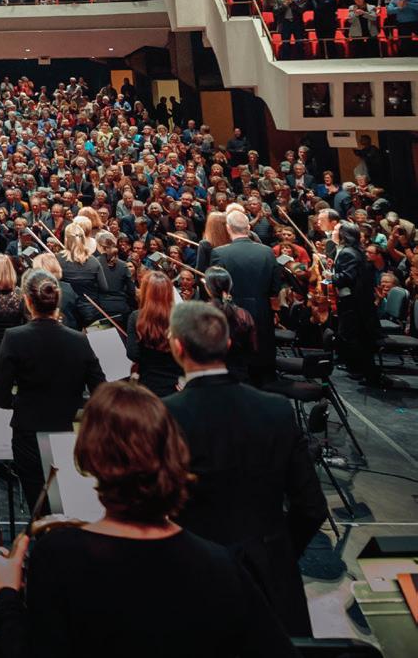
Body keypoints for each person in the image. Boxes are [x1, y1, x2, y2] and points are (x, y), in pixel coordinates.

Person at [0, 380, 298, 658]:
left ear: (90, 457)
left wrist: (7, 595)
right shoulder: (221, 564)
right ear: (173, 453)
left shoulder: (58, 557)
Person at [163, 301, 326, 636]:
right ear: (227, 344)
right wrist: (277, 551)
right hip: (268, 578)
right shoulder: (277, 409)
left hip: (192, 578)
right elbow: (311, 507)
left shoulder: (163, 415)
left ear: (177, 347)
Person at [0, 269, 106, 511]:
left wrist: (22, 402)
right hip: (69, 431)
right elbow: (101, 391)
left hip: (29, 432)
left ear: (27, 301)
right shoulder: (79, 340)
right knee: (71, 506)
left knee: (39, 507)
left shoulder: (14, 337)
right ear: (57, 300)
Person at [209, 210, 288, 381]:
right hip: (262, 310)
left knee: (236, 362)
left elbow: (217, 287)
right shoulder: (267, 252)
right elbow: (275, 286)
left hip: (233, 314)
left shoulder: (219, 253)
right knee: (261, 359)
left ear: (228, 228)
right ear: (248, 228)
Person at [331, 219, 383, 386]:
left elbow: (347, 277)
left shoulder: (348, 252)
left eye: (336, 230)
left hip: (353, 302)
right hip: (357, 301)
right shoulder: (352, 250)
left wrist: (330, 276)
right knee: (354, 336)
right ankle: (360, 370)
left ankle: (366, 372)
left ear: (343, 235)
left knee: (352, 336)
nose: (333, 232)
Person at [125, 270, 177, 397]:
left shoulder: (136, 316)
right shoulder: (179, 316)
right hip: (175, 384)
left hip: (147, 383)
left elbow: (133, 354)